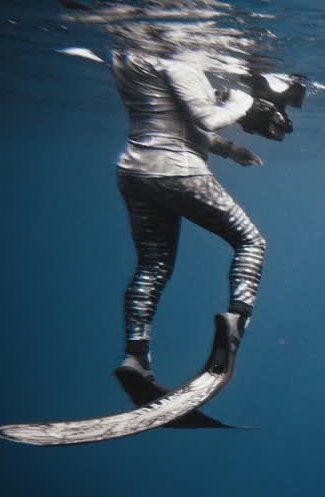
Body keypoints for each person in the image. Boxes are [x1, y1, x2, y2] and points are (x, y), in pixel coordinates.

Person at [110, 46, 267, 393]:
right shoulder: (180, 60)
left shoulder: (128, 57)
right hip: (180, 175)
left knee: (151, 265)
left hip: (134, 173)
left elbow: (167, 119)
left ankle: (135, 356)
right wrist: (243, 101)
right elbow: (206, 119)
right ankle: (236, 320)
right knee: (250, 241)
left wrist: (227, 149)